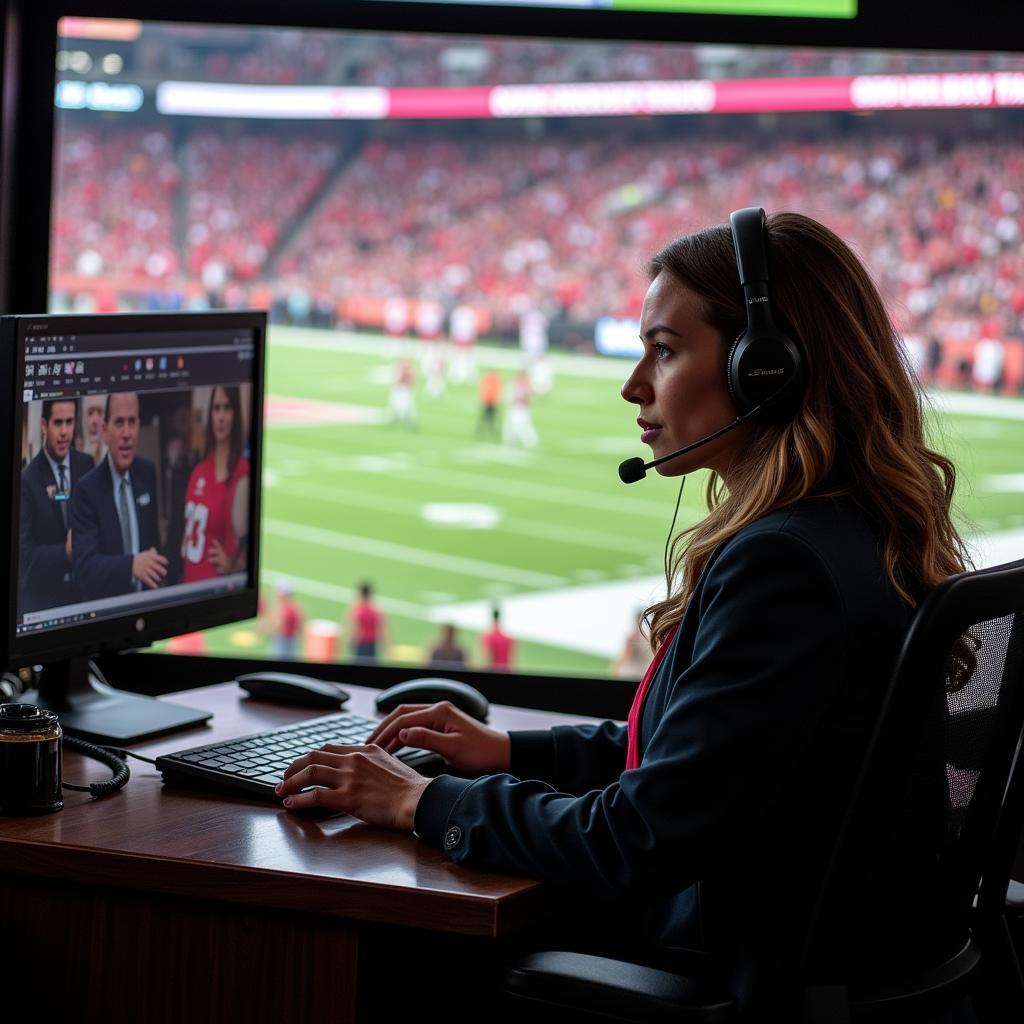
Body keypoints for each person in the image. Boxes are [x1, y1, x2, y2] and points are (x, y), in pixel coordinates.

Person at [274, 211, 968, 1019]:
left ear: (765, 371)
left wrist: (422, 802)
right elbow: (708, 757)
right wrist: (505, 750)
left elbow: (639, 837)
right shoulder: (848, 530)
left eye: (665, 351)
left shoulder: (786, 563)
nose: (634, 384)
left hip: (742, 981)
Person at [72, 391, 166, 600]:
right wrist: (131, 565)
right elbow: (84, 568)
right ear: (105, 431)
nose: (126, 433)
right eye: (119, 423)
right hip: (107, 616)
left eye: (132, 422)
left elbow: (154, 548)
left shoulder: (147, 472)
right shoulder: (86, 490)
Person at [19, 399, 95, 614]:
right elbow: (24, 557)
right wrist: (65, 553)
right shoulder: (28, 480)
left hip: (84, 597)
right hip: (46, 601)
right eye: (57, 423)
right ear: (44, 425)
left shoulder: (86, 464)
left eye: (69, 422)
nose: (64, 432)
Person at [180, 385, 250, 583]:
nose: (220, 416)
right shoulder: (198, 471)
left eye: (227, 408)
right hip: (188, 585)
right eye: (216, 408)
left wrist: (236, 564)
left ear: (235, 414)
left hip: (214, 587)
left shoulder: (243, 471)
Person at [347, 581, 388, 662]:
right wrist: (385, 645)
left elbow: (355, 629)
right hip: (372, 644)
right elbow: (382, 629)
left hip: (361, 644)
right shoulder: (376, 609)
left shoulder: (357, 610)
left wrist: (350, 641)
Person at [480, 605, 515, 671]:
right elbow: (512, 659)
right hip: (505, 670)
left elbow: (486, 658)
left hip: (493, 671)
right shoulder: (507, 638)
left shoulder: (488, 637)